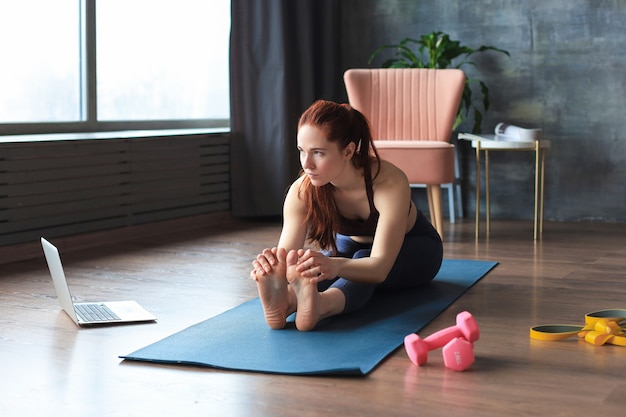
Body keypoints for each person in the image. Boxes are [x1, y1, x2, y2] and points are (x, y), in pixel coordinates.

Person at [250, 99, 443, 331]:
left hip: (415, 248)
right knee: (311, 265)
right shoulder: (302, 190)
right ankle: (288, 300)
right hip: (349, 249)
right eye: (302, 151)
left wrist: (336, 266)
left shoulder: (388, 182)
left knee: (356, 260)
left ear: (349, 151)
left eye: (318, 153)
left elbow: (379, 267)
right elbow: (288, 256)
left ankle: (322, 305)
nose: (307, 163)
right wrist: (276, 267)